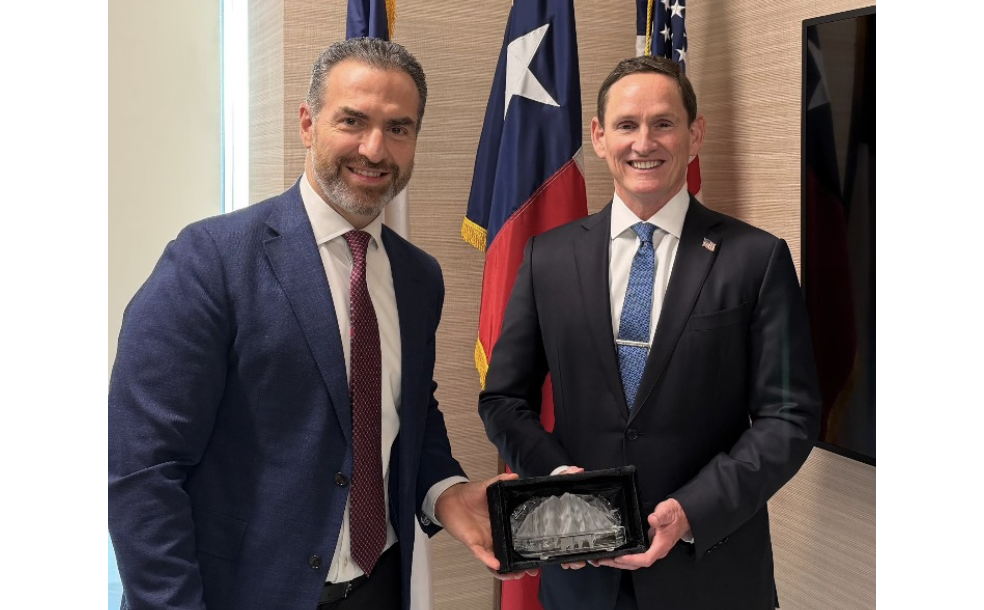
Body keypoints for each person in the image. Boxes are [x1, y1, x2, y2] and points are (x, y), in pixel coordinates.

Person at [109, 38, 515, 610]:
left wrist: (447, 492)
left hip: (378, 588)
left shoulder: (419, 277)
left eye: (398, 128)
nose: (375, 148)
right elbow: (143, 468)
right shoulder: (210, 260)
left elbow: (406, 410)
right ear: (307, 123)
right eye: (353, 120)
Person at [478, 55, 821, 609]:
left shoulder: (756, 259)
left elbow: (790, 417)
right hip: (580, 578)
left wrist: (691, 511)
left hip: (712, 576)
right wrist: (560, 481)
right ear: (599, 137)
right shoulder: (548, 258)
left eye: (663, 123)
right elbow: (503, 400)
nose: (644, 142)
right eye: (626, 125)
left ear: (695, 134)